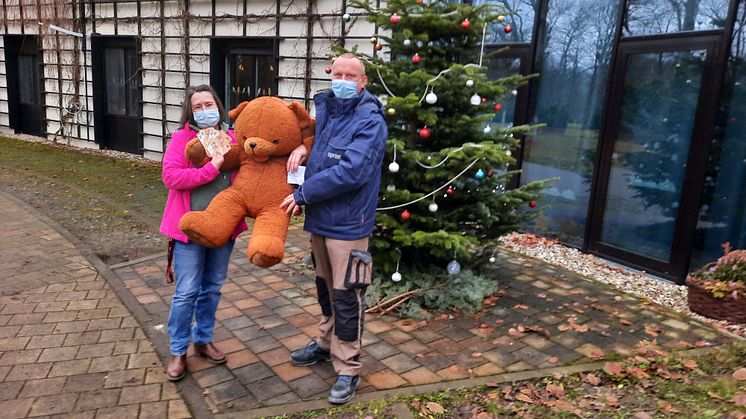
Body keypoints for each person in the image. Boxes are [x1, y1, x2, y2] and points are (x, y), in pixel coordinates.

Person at [160, 85, 306, 381]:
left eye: (208, 104)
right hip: (189, 229)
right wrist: (210, 169)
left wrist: (302, 152)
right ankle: (178, 351)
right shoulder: (182, 139)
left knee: (212, 287)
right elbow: (171, 176)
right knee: (187, 291)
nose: (204, 111)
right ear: (190, 111)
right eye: (197, 106)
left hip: (223, 229)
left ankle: (203, 341)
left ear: (219, 106)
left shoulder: (232, 138)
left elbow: (263, 171)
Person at [280, 53, 388, 405]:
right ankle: (326, 344)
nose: (341, 79)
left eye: (350, 75)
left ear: (363, 82)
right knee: (325, 287)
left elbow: (352, 171)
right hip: (321, 220)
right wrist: (302, 146)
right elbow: (320, 147)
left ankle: (349, 367)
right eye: (337, 73)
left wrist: (305, 193)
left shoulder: (369, 121)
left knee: (347, 294)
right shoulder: (327, 110)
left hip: (348, 223)